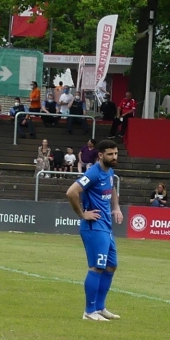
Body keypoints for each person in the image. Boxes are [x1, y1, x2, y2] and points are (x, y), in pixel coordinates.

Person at [67, 135, 125, 322]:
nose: (114, 157)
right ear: (100, 155)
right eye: (110, 154)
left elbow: (112, 188)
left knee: (111, 266)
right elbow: (72, 192)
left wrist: (116, 207)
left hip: (106, 226)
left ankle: (100, 307)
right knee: (97, 267)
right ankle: (89, 311)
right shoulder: (93, 173)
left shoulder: (109, 171)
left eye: (116, 153)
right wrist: (82, 214)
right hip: (94, 227)